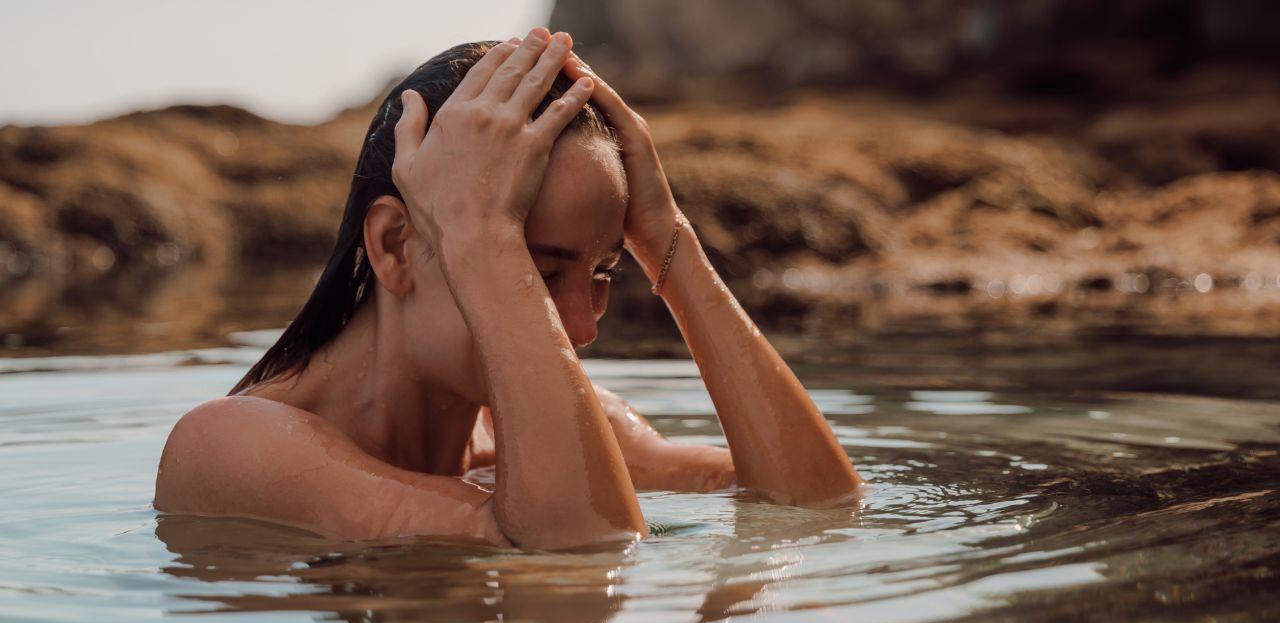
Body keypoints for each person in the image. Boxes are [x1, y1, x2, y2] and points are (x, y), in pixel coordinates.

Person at [154, 28, 862, 550]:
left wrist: (668, 240)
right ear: (397, 246)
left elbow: (818, 503)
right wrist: (482, 237)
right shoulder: (231, 446)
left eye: (603, 275)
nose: (582, 329)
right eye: (542, 272)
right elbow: (584, 551)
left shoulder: (536, 431)